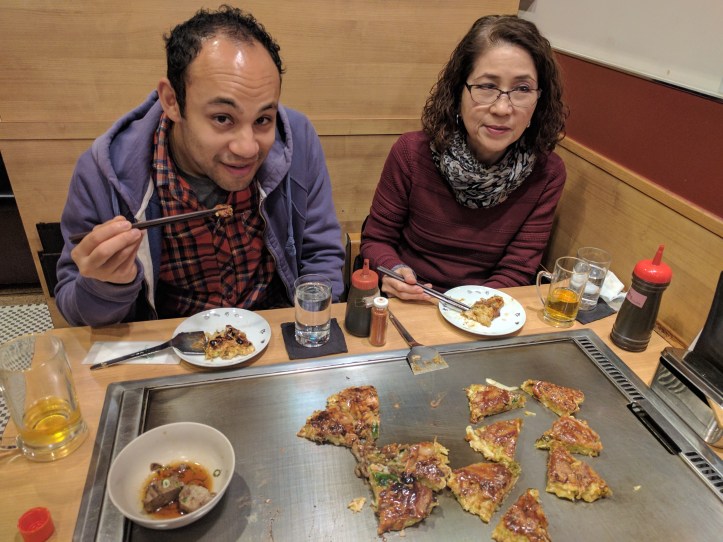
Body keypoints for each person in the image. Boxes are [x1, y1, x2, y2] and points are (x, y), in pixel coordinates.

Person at [55, 5, 345, 327]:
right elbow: (75, 310)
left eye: (263, 119)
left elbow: (321, 255)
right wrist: (107, 285)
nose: (248, 147)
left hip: (275, 329)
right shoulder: (104, 174)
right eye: (222, 118)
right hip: (168, 340)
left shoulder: (297, 140)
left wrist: (312, 325)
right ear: (171, 101)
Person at [360, 15, 567, 301]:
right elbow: (377, 239)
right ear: (459, 91)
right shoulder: (411, 152)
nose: (502, 108)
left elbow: (517, 270)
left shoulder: (547, 173)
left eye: (522, 89)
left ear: (539, 100)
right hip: (410, 301)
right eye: (487, 86)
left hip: (486, 309)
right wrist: (394, 272)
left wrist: (471, 307)